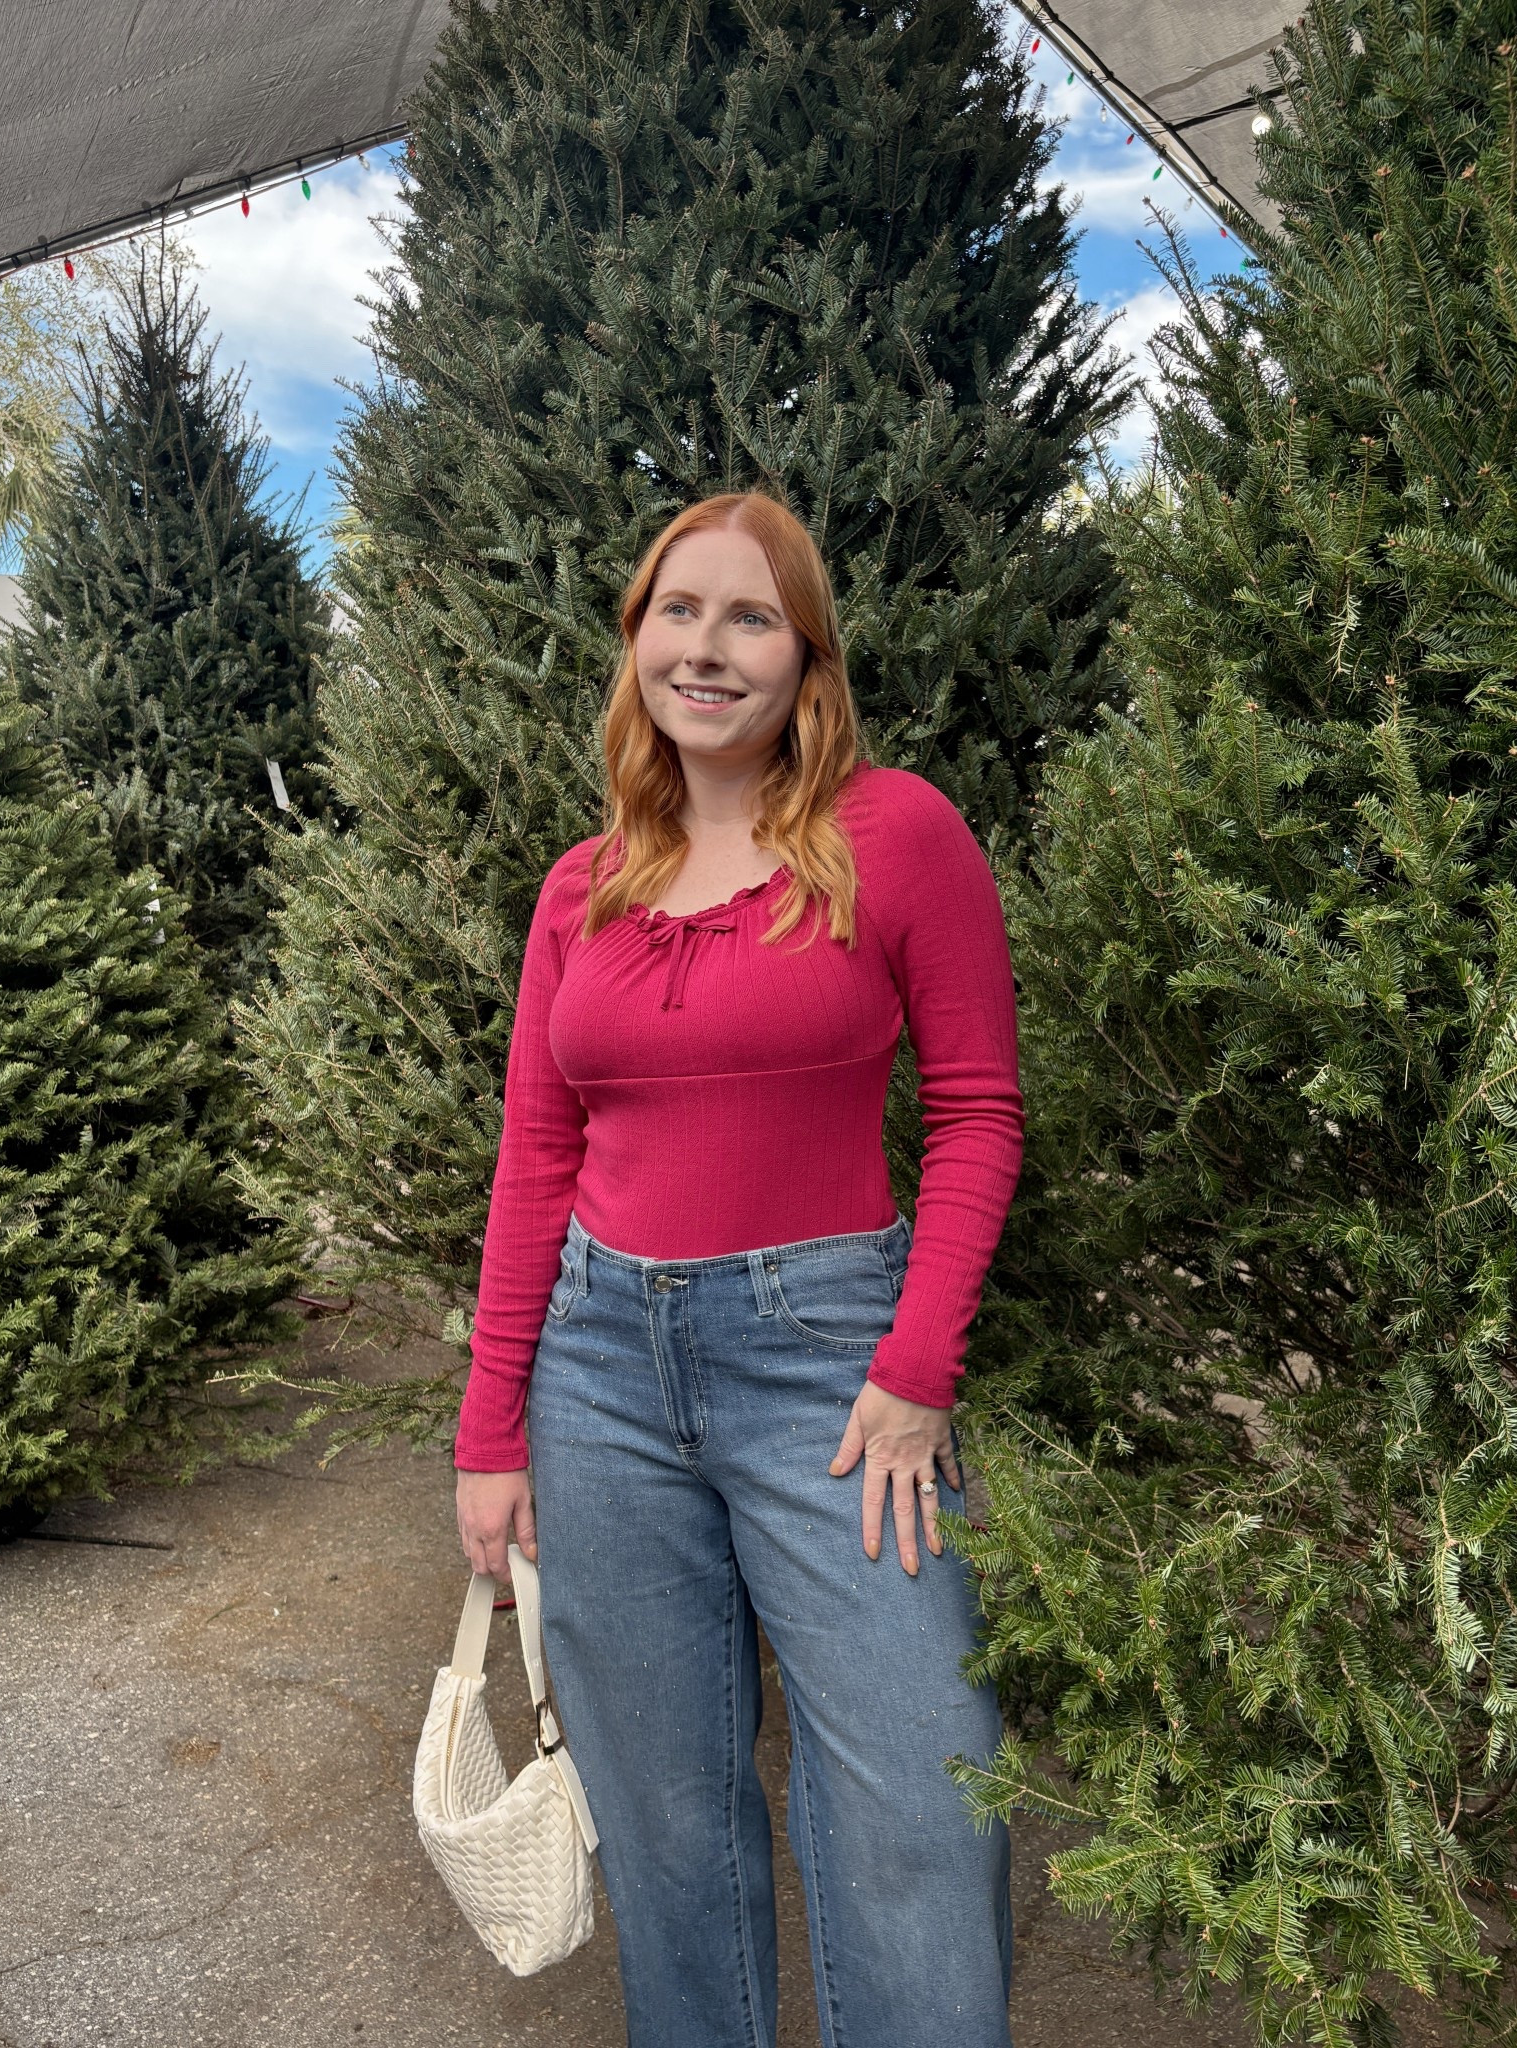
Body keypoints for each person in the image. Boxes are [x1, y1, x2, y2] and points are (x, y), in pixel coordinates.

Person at [453, 488, 1025, 2048]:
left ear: (805, 659)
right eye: (677, 611)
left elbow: (976, 1115)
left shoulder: (896, 834)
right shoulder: (583, 887)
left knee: (919, 1791)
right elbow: (534, 1159)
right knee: (661, 1813)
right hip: (598, 1372)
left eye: (749, 616)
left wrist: (913, 1377)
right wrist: (490, 1432)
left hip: (830, 1367)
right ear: (636, 639)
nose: (706, 648)